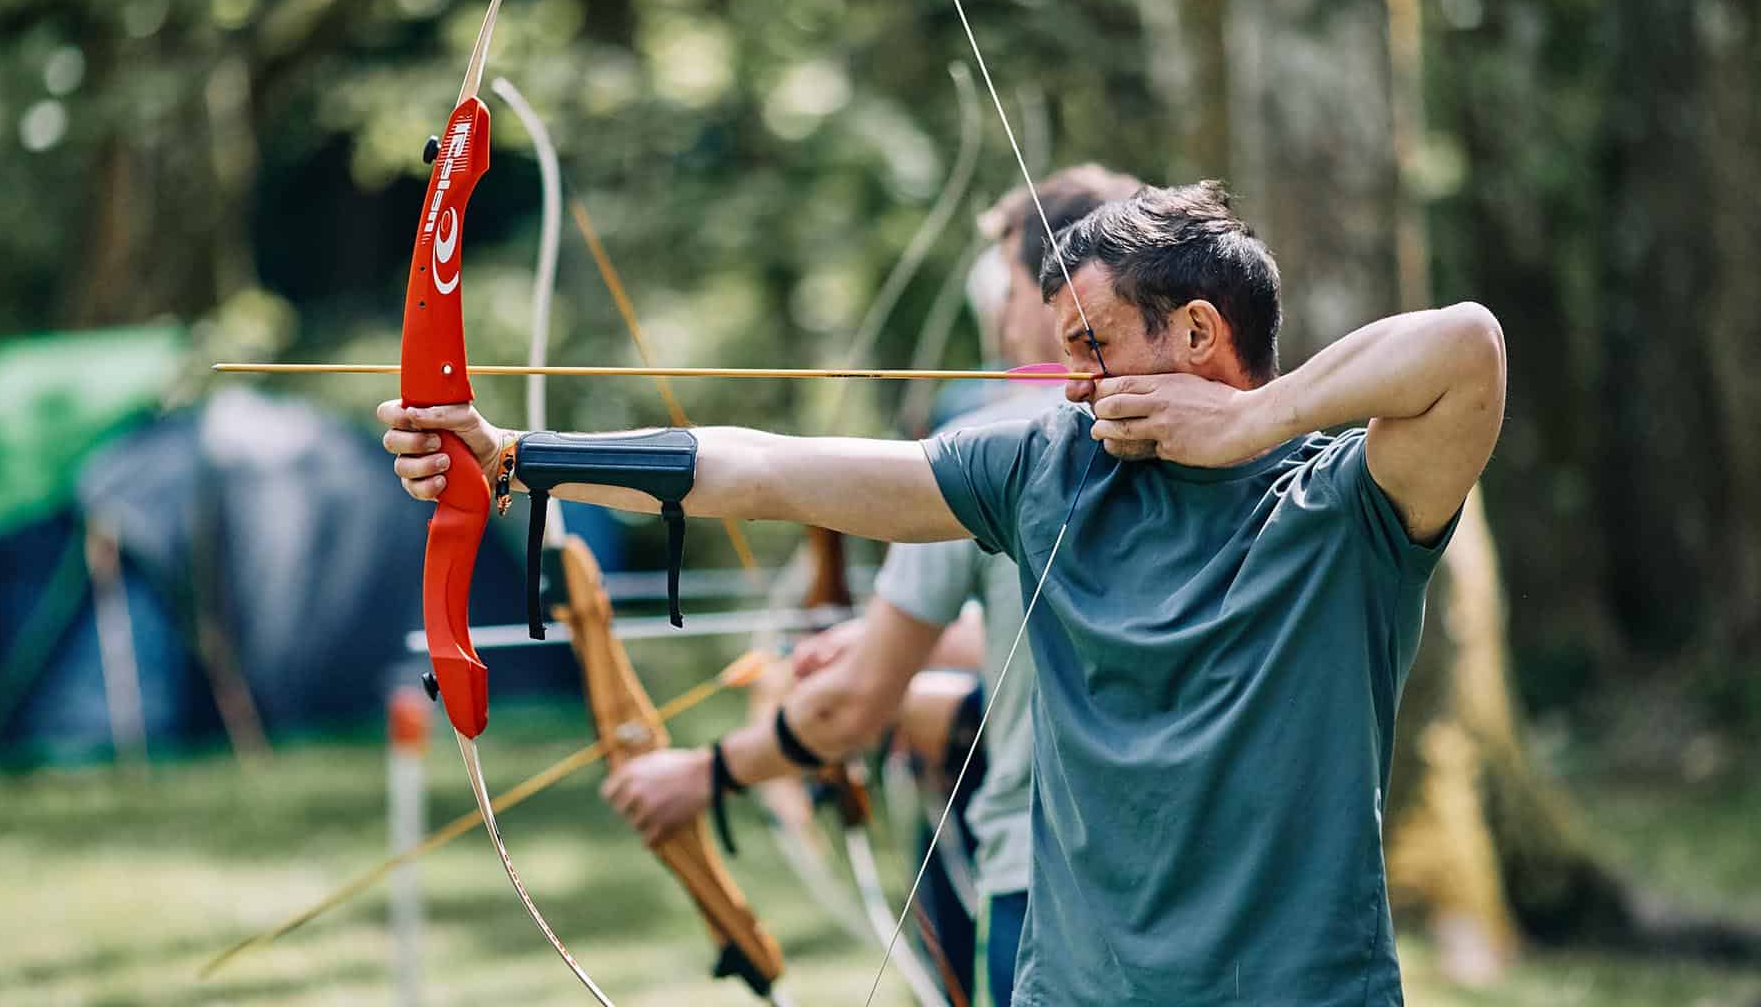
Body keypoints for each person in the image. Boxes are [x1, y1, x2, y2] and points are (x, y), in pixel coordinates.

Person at [381, 180, 1507, 1005]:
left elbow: (1468, 346)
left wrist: (1254, 422)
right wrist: (518, 456)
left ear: (1200, 335)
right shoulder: (1043, 466)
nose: (1067, 380)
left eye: (1092, 344)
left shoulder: (1344, 508)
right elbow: (767, 473)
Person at [595, 163, 1142, 1007]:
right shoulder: (1231, 445)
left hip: (1046, 898)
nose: (995, 311)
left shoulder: (993, 448)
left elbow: (849, 700)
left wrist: (699, 775)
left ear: (1052, 289)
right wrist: (916, 642)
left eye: (1004, 284)